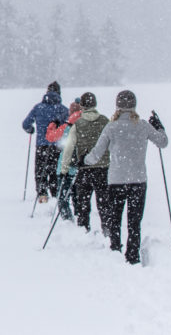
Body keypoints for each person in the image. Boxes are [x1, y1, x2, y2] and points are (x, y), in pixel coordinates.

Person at [84, 90, 168, 265]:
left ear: (118, 106)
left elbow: (96, 154)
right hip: (138, 181)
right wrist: (159, 126)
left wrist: (84, 159)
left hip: (116, 181)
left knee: (115, 219)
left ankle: (115, 250)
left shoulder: (111, 127)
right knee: (134, 221)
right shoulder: (143, 126)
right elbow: (163, 142)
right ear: (134, 106)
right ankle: (133, 255)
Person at [65, 92, 111, 234]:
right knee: (103, 202)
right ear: (95, 104)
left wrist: (65, 168)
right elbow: (111, 142)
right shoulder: (105, 121)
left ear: (82, 106)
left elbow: (69, 147)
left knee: (83, 203)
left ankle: (83, 228)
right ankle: (107, 229)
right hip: (103, 168)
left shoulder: (78, 124)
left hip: (84, 169)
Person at [22, 81, 69, 203]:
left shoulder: (38, 107)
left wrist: (30, 129)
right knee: (54, 171)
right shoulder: (63, 110)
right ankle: (55, 194)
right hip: (57, 146)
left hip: (41, 145)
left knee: (40, 171)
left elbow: (26, 124)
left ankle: (42, 194)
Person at [46, 98, 83, 220]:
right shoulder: (85, 125)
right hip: (82, 167)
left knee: (62, 195)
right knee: (78, 195)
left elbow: (50, 137)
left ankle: (67, 218)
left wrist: (52, 125)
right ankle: (80, 216)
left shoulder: (67, 127)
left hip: (65, 167)